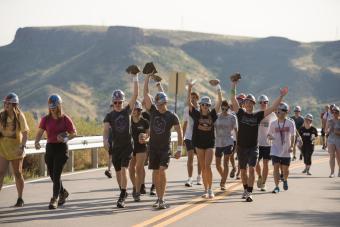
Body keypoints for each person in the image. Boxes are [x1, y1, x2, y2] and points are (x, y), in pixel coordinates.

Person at [230, 78, 288, 202]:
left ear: (254, 104)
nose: (249, 104)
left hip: (253, 147)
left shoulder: (257, 115)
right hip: (241, 147)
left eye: (251, 102)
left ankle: (249, 192)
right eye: (247, 102)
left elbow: (272, 108)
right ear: (244, 104)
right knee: (243, 171)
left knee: (251, 169)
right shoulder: (240, 113)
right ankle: (245, 189)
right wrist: (234, 85)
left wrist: (281, 97)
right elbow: (233, 99)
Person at [143, 73, 183, 209]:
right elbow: (146, 94)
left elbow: (179, 132)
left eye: (161, 104)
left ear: (165, 103)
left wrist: (178, 149)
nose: (159, 107)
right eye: (158, 104)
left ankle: (162, 198)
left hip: (165, 149)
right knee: (155, 172)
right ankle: (159, 198)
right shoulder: (153, 111)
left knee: (161, 171)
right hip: (153, 148)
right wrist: (147, 78)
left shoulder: (172, 116)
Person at [103, 68, 139, 208]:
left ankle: (122, 195)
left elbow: (135, 94)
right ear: (113, 103)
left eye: (120, 102)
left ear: (123, 102)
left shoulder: (127, 111)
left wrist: (135, 77)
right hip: (115, 147)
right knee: (118, 173)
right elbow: (106, 130)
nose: (118, 104)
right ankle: (123, 192)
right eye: (116, 102)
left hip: (127, 147)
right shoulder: (109, 116)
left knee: (124, 170)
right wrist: (105, 140)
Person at [35, 94, 77, 209]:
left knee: (56, 173)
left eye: (54, 107)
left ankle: (55, 198)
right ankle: (63, 192)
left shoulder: (65, 119)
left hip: (61, 149)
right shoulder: (45, 119)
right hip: (50, 148)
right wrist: (36, 142)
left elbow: (74, 133)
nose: (52, 109)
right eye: (51, 107)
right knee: (52, 174)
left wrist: (66, 138)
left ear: (59, 106)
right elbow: (40, 132)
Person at [187, 80, 222, 199]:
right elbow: (188, 103)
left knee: (208, 166)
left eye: (207, 105)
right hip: (198, 143)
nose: (205, 107)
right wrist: (190, 88)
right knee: (202, 167)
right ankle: (206, 190)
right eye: (203, 104)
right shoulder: (196, 114)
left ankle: (211, 189)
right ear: (200, 105)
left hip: (210, 144)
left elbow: (220, 102)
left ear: (209, 106)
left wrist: (218, 87)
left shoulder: (212, 115)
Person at [0, 93, 29, 207]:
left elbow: (25, 133)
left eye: (9, 103)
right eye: (5, 103)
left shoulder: (20, 116)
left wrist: (22, 146)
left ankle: (20, 198)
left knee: (17, 173)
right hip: (2, 149)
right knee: (0, 173)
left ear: (14, 104)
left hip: (16, 150)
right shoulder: (1, 115)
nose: (6, 105)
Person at [268, 103, 295, 193]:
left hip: (286, 150)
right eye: (278, 110)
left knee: (285, 170)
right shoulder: (273, 123)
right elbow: (269, 134)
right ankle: (276, 187)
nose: (279, 112)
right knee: (275, 167)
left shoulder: (290, 123)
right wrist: (270, 137)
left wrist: (291, 146)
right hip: (275, 149)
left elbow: (293, 136)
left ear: (286, 112)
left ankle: (285, 179)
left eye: (282, 110)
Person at [129, 100, 150, 202]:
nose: (133, 111)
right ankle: (136, 185)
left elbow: (149, 136)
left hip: (141, 148)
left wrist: (145, 139)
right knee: (131, 169)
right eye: (132, 109)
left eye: (135, 109)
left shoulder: (144, 122)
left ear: (139, 110)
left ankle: (137, 192)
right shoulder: (128, 121)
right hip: (131, 148)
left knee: (139, 168)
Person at [214, 100, 237, 190]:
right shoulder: (216, 117)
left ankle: (222, 183)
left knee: (226, 162)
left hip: (228, 141)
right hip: (219, 142)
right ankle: (224, 176)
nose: (224, 110)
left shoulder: (232, 117)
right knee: (217, 164)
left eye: (225, 108)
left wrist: (237, 144)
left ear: (228, 108)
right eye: (222, 108)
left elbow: (236, 131)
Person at [256, 95, 277, 191]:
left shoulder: (272, 115)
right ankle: (260, 176)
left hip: (268, 144)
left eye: (265, 102)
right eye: (261, 102)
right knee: (255, 163)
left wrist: (273, 135)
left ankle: (263, 183)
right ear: (258, 103)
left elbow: (276, 128)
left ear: (267, 103)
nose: (263, 104)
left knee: (265, 163)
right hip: (256, 143)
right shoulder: (256, 113)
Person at [183, 91, 202, 187]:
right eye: (191, 97)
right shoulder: (186, 109)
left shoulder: (201, 109)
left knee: (199, 159)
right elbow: (185, 123)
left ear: (197, 99)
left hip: (199, 138)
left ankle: (199, 177)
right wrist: (182, 137)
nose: (192, 99)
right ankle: (190, 179)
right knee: (190, 158)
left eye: (194, 97)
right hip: (189, 137)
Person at [325, 105, 340, 178]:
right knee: (332, 156)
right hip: (330, 140)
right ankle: (332, 172)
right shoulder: (329, 121)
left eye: (336, 112)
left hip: (338, 140)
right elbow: (325, 130)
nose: (335, 113)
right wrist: (327, 131)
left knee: (339, 156)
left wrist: (338, 132)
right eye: (333, 112)